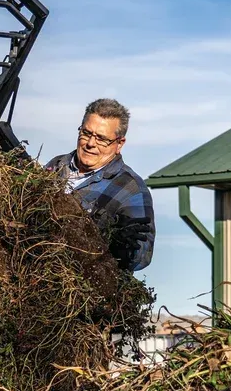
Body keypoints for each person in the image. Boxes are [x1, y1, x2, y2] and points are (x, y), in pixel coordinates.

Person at [43, 98, 155, 272]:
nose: (90, 144)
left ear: (119, 144)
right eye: (86, 133)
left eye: (102, 139)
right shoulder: (56, 165)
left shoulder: (131, 189)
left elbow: (142, 255)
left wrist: (118, 247)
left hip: (81, 287)